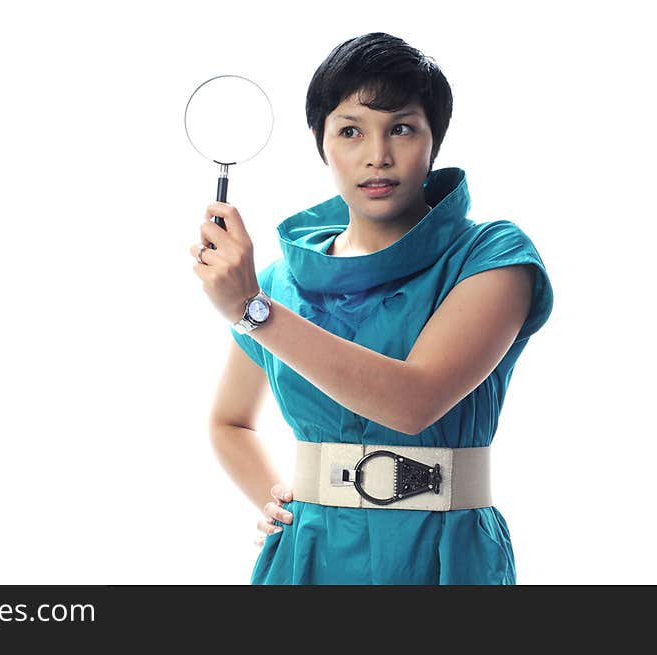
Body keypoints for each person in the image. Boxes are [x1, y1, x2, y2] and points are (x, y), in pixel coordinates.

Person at [190, 32, 553, 584]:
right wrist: (276, 500)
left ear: (435, 141)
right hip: (306, 558)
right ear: (321, 143)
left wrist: (252, 310)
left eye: (402, 128)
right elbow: (229, 421)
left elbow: (415, 401)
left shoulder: (493, 256)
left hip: (445, 556)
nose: (377, 156)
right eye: (351, 131)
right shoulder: (279, 283)